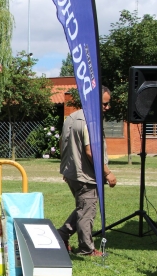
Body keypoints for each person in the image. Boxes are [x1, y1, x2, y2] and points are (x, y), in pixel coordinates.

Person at [57, 86, 117, 256]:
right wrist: (107, 173)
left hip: (72, 173)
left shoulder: (71, 117)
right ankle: (86, 249)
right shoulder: (90, 122)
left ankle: (61, 235)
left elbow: (62, 144)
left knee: (83, 208)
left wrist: (67, 166)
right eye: (105, 104)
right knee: (87, 212)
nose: (107, 107)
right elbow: (91, 151)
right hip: (86, 176)